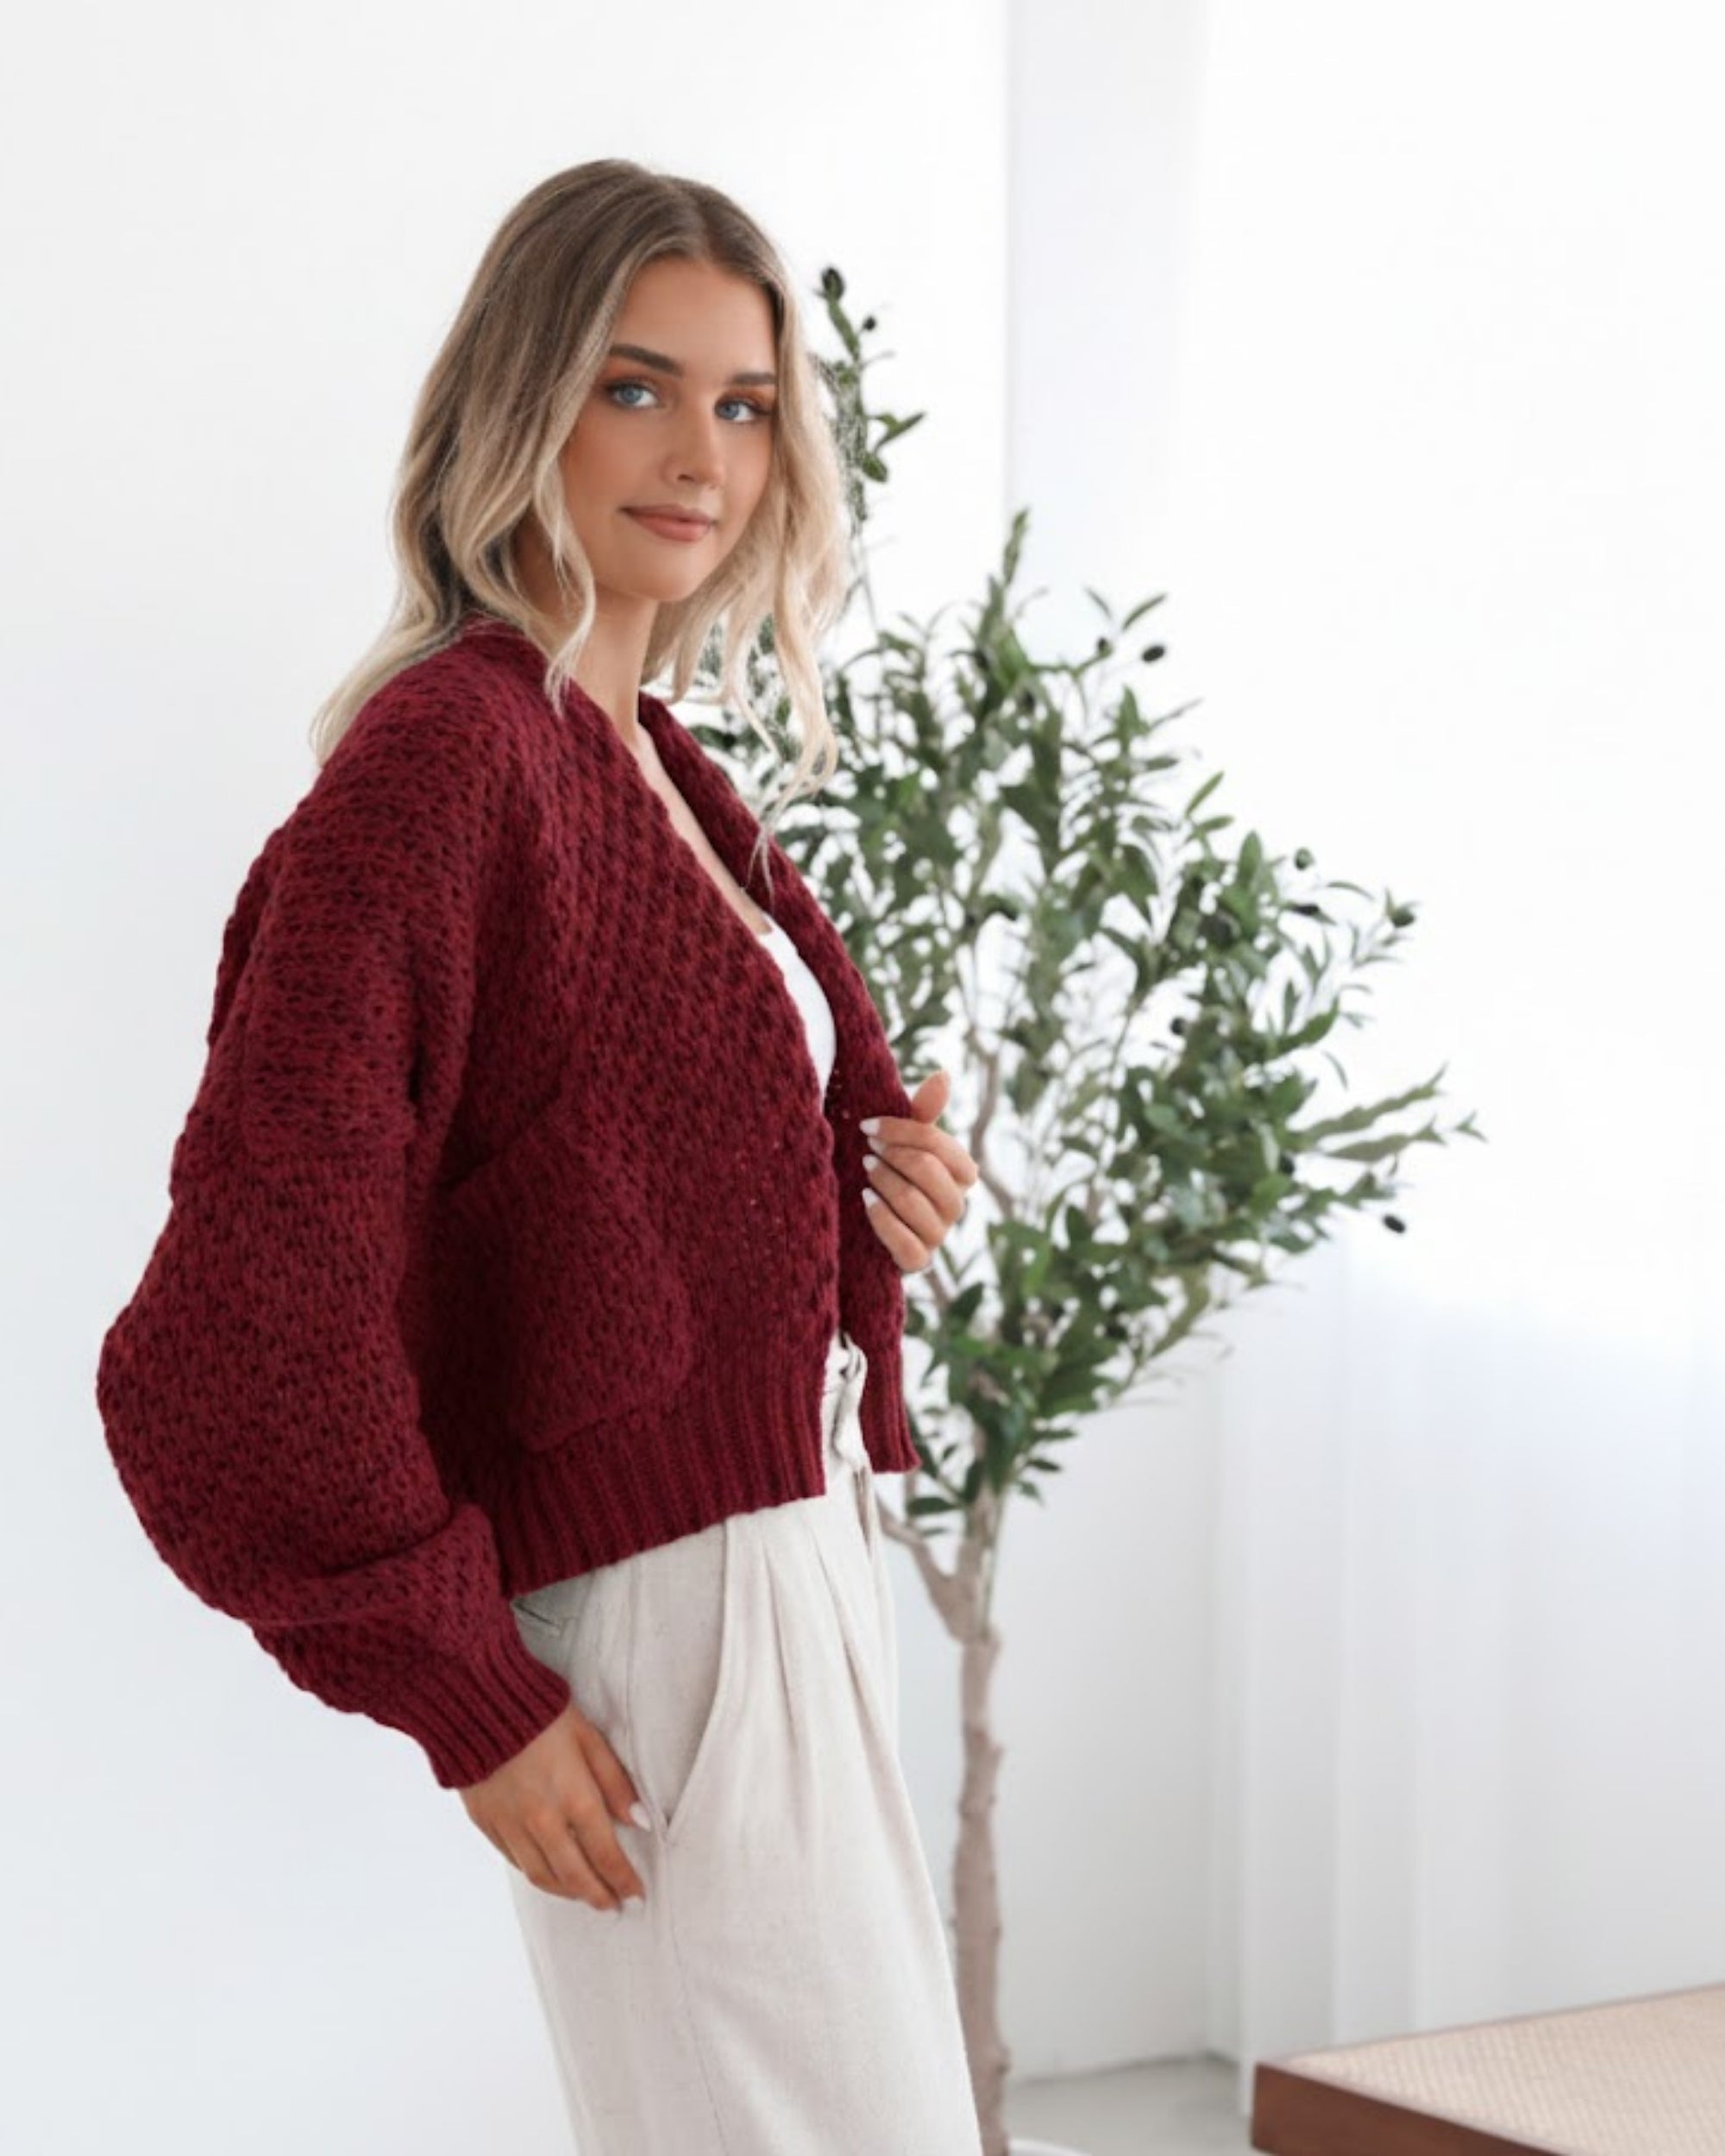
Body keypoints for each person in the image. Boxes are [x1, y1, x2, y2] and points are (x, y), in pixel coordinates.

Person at [94, 157, 984, 2153]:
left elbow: (606, 1199)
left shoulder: (659, 763)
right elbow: (236, 1329)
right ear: (523, 401)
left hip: (795, 1570)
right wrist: (466, 1692)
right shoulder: (454, 756)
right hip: (674, 1626)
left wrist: (864, 1209)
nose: (700, 454)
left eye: (745, 403)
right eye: (634, 385)